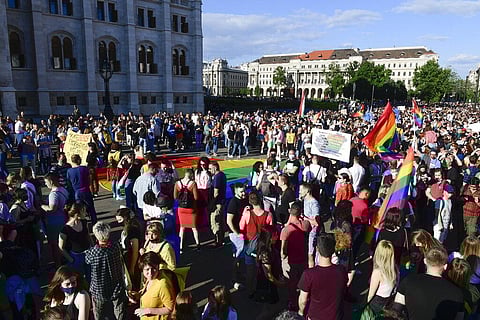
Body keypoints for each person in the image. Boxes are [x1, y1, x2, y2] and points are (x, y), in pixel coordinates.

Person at [394, 246, 464, 320]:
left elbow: (396, 309)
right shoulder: (457, 293)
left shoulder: (408, 281)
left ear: (425, 261)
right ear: (445, 266)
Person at [298, 232, 348, 320]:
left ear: (317, 249)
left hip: (315, 317)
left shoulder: (308, 274)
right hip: (336, 316)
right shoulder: (341, 270)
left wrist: (301, 312)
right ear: (333, 249)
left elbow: (303, 300)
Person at [85, 221, 127, 320]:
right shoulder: (115, 247)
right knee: (119, 311)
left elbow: (87, 261)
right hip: (116, 284)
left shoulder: (92, 252)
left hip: (99, 288)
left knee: (99, 313)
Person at [280, 201, 310, 311]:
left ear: (289, 211)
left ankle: (293, 302)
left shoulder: (286, 230)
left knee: (291, 284)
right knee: (303, 283)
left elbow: (283, 250)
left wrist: (282, 258)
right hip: (303, 259)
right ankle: (304, 301)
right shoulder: (306, 225)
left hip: (291, 261)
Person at [131, 252, 175, 320]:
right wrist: (137, 296)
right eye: (147, 269)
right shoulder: (150, 279)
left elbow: (170, 308)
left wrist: (148, 310)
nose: (150, 273)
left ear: (158, 266)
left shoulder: (163, 284)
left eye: (154, 268)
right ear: (142, 269)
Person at [42, 173, 69, 268]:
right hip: (63, 219)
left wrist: (42, 206)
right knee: (62, 242)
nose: (45, 184)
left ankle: (58, 265)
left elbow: (52, 208)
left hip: (54, 222)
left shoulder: (53, 194)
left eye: (46, 182)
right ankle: (64, 260)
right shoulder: (63, 189)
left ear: (51, 181)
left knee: (55, 244)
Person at [58, 203, 92, 276]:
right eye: (84, 211)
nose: (86, 213)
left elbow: (88, 235)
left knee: (91, 276)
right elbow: (61, 247)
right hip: (76, 257)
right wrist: (71, 260)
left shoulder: (84, 222)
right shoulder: (65, 230)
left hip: (88, 253)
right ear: (77, 213)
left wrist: (93, 247)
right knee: (79, 278)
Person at [367, 240, 398, 315]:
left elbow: (371, 294)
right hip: (387, 301)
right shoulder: (395, 268)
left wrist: (365, 306)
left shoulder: (378, 272)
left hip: (376, 302)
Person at [226, 183, 248, 290]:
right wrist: (237, 233)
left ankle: (238, 275)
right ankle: (234, 280)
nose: (244, 193)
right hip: (236, 234)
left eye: (244, 191)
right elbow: (229, 221)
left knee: (241, 256)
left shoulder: (244, 199)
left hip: (242, 232)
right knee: (238, 256)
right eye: (241, 192)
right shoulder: (233, 203)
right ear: (236, 192)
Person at [115, 207, 142, 289]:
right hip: (127, 257)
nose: (118, 222)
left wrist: (132, 267)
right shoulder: (128, 228)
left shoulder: (132, 230)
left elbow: (135, 250)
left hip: (131, 259)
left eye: (120, 220)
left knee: (133, 282)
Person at [175, 169, 200, 252]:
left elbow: (175, 197)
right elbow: (196, 198)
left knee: (182, 228)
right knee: (194, 227)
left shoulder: (177, 183)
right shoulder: (193, 184)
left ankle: (181, 246)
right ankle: (198, 244)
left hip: (181, 208)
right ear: (191, 175)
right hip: (191, 208)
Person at [67, 154, 97, 224]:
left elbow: (69, 184)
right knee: (91, 209)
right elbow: (90, 179)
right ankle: (94, 223)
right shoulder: (84, 168)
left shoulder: (69, 171)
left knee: (78, 210)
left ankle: (81, 224)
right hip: (86, 190)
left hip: (77, 192)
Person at [299, 183, 321, 268]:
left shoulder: (314, 203)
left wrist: (304, 218)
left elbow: (316, 223)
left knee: (310, 254)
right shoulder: (304, 200)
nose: (299, 192)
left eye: (301, 190)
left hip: (312, 232)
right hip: (306, 231)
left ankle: (312, 271)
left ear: (307, 191)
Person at [209, 161, 227, 247]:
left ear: (215, 168)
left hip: (217, 203)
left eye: (210, 168)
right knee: (221, 221)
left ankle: (217, 241)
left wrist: (212, 204)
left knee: (215, 222)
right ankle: (221, 239)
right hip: (222, 201)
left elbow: (216, 193)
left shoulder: (217, 177)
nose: (209, 170)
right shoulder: (222, 175)